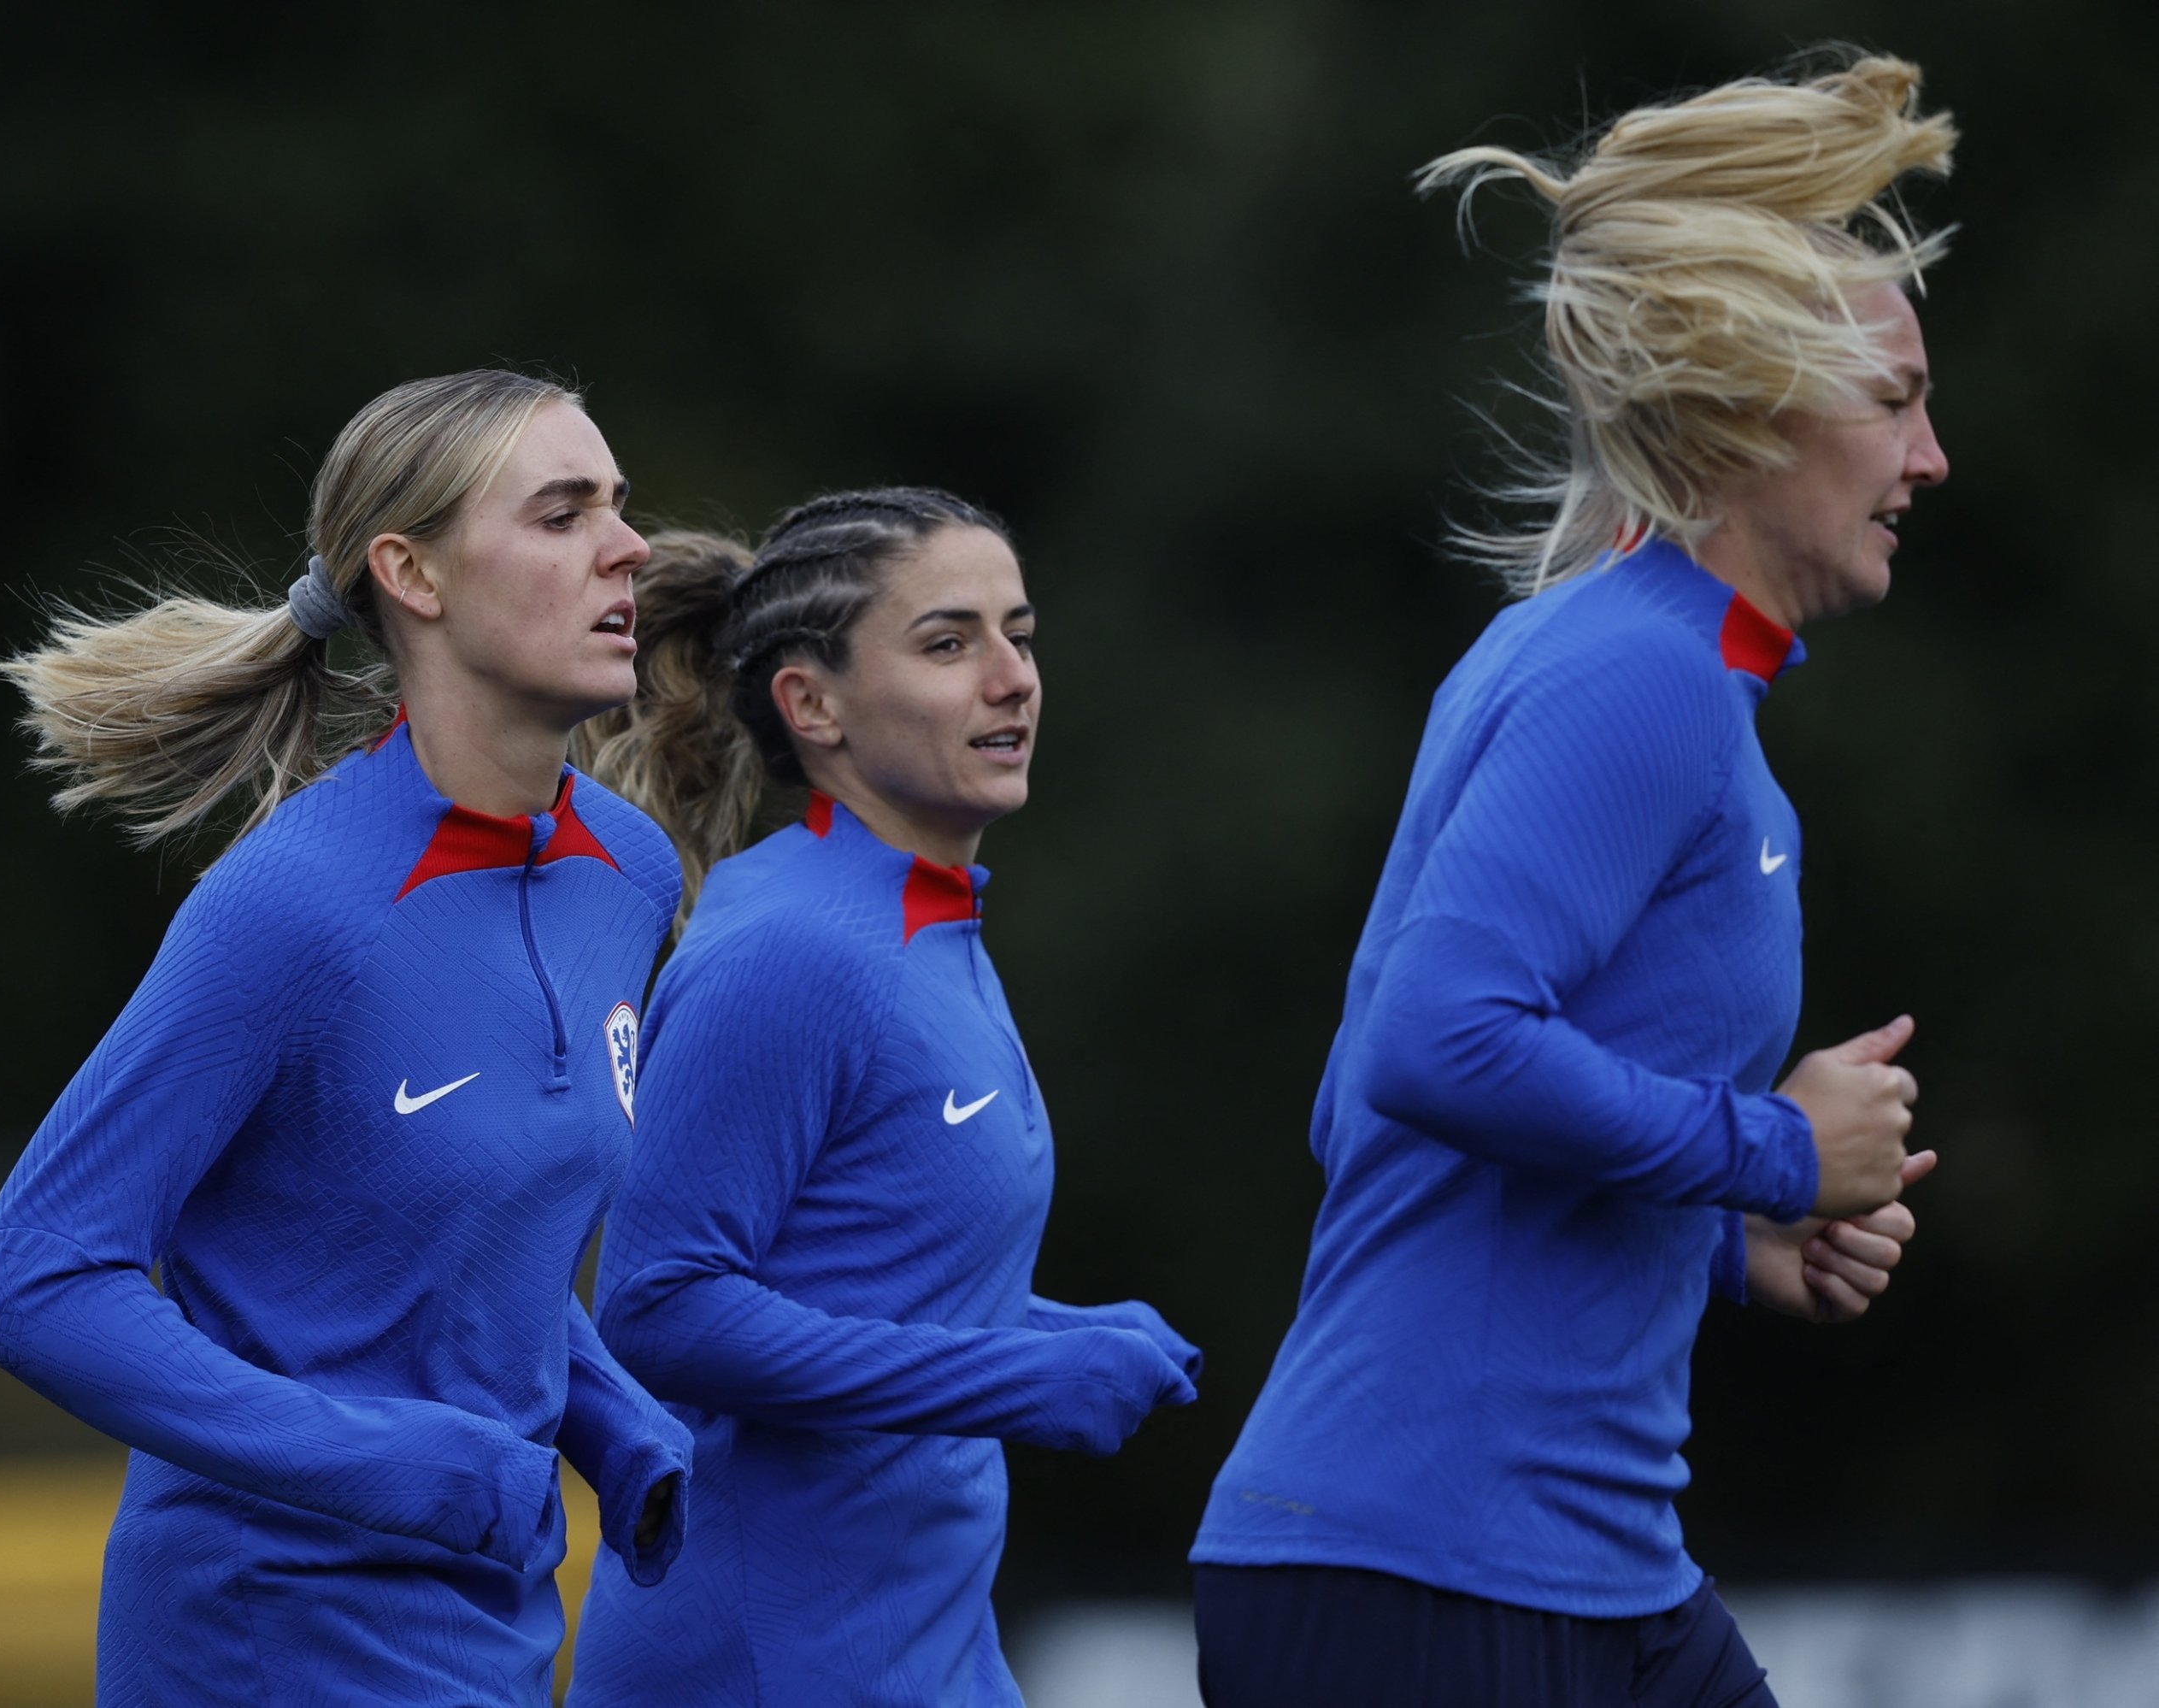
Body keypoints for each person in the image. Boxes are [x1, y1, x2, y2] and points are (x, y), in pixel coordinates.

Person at [1191, 56, 1956, 1708]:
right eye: (1893, 399)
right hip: (1425, 1573)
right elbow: (1427, 1048)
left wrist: (1725, 1238)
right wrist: (1770, 1150)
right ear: (1758, 404)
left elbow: (1364, 1114)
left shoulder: (1644, 666)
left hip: (1582, 1573)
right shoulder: (1643, 676)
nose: (1933, 456)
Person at [0, 370, 692, 1705]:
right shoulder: (296, 906)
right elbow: (30, 1279)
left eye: (620, 508)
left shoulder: (630, 873)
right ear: (410, 572)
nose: (628, 546)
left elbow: (452, 1237)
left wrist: (614, 1421)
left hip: (497, 1627)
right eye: (563, 511)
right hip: (261, 1636)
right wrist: (400, 1465)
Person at [561, 491, 1203, 1706]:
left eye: (1021, 633)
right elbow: (659, 1303)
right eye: (950, 643)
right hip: (769, 1662)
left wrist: (1049, 1328)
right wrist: (1014, 1375)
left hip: (932, 1647)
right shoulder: (791, 949)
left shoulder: (930, 915)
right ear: (812, 704)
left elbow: (864, 1275)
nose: (1013, 678)